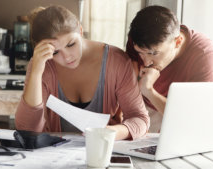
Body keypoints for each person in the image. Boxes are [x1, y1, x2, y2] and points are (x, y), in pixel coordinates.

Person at [15, 5, 150, 140]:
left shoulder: (117, 61)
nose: (67, 57)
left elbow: (140, 119)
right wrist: (36, 72)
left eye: (71, 44)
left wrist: (112, 132)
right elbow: (26, 130)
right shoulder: (43, 64)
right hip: (56, 155)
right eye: (55, 52)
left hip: (104, 152)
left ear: (80, 30)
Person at [126, 6, 213, 131]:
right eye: (140, 53)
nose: (146, 62)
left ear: (178, 41)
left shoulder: (204, 55)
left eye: (153, 53)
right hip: (141, 103)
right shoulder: (139, 39)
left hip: (184, 114)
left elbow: (193, 117)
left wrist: (149, 90)